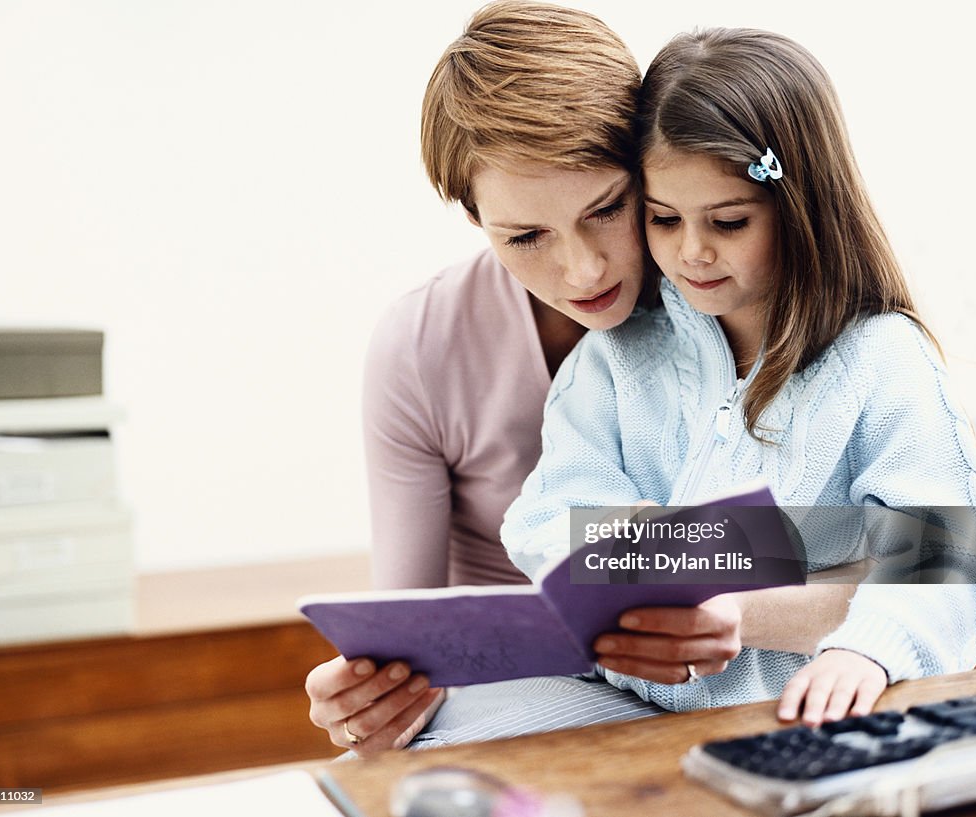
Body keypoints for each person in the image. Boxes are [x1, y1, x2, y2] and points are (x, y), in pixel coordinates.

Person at [306, 4, 858, 757]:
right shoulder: (419, 346)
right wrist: (368, 698)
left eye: (608, 209)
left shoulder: (735, 297)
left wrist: (744, 599)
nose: (583, 269)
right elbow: (407, 627)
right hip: (538, 700)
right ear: (474, 217)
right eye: (525, 236)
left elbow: (914, 551)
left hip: (738, 687)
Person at [500, 27, 976, 722]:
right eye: (663, 220)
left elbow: (947, 559)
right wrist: (667, 544)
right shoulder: (618, 353)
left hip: (793, 715)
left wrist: (865, 648)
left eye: (728, 222)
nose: (692, 252)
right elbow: (547, 517)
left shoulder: (882, 359)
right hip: (620, 709)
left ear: (797, 209)